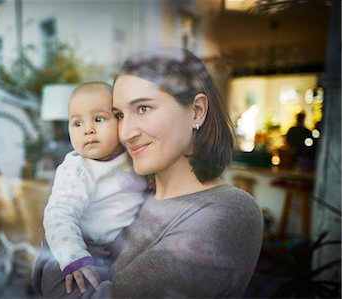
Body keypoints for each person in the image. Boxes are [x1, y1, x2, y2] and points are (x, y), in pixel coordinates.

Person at [33, 48, 263, 298]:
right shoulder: (135, 191)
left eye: (143, 108)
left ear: (196, 111)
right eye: (119, 115)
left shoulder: (228, 213)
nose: (126, 132)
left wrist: (52, 262)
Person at [42, 81, 148, 294]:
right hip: (93, 253)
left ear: (120, 122)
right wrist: (75, 257)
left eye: (99, 119)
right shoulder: (76, 168)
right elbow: (59, 215)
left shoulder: (133, 156)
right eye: (77, 123)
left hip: (130, 248)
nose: (88, 130)